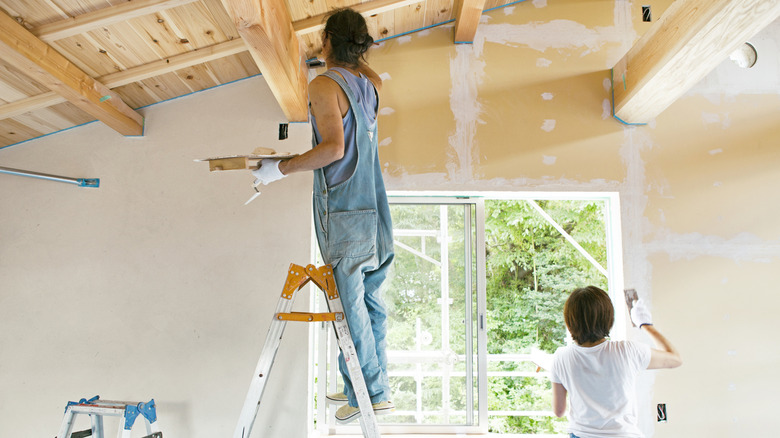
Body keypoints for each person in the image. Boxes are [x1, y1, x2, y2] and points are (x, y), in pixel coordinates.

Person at [250, 7, 395, 424]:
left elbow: (332, 148)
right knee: (369, 304)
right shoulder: (372, 82)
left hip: (346, 211)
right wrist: (342, 57)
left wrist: (278, 169)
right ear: (360, 46)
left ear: (328, 41)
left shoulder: (322, 85)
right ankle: (364, 386)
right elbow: (359, 74)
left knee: (350, 308)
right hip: (376, 210)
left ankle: (371, 391)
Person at [550, 286, 682, 438]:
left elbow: (558, 411)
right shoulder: (626, 351)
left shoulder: (560, 357)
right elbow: (675, 359)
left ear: (569, 321)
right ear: (608, 317)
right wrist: (646, 325)